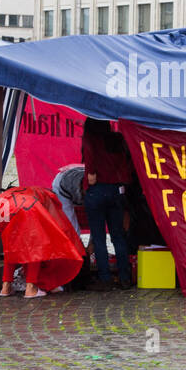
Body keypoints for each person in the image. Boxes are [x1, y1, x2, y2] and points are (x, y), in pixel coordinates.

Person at [81, 118, 133, 291]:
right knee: (118, 236)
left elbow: (90, 173)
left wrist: (92, 175)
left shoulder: (90, 139)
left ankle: (105, 279)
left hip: (97, 190)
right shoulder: (118, 139)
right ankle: (125, 277)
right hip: (117, 191)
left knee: (99, 237)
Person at [51, 163, 86, 235]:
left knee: (97, 216)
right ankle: (76, 242)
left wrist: (92, 242)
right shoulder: (63, 185)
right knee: (68, 219)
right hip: (63, 183)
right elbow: (70, 220)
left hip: (83, 174)